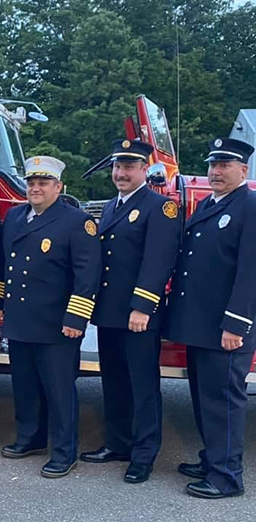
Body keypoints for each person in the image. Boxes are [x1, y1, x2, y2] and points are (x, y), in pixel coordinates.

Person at [0, 156, 101, 478]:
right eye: (31, 182)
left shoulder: (77, 221)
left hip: (56, 325)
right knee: (24, 386)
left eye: (43, 183)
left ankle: (65, 452)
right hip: (20, 319)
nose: (36, 188)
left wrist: (76, 320)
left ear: (58, 187)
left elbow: (87, 275)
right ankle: (31, 438)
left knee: (59, 390)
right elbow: (2, 264)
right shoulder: (14, 217)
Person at [80, 139, 181, 484]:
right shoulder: (111, 207)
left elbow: (158, 261)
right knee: (115, 382)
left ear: (144, 170)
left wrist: (142, 307)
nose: (120, 174)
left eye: (128, 167)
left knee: (143, 386)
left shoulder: (160, 207)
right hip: (110, 312)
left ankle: (143, 455)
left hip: (138, 315)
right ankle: (118, 443)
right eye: (117, 167)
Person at [164, 137, 256, 499]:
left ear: (244, 170)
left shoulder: (249, 206)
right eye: (212, 165)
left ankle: (227, 477)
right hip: (202, 325)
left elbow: (250, 273)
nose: (216, 172)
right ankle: (212, 459)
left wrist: (236, 324)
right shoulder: (210, 203)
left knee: (224, 403)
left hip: (225, 328)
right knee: (204, 399)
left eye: (225, 165)